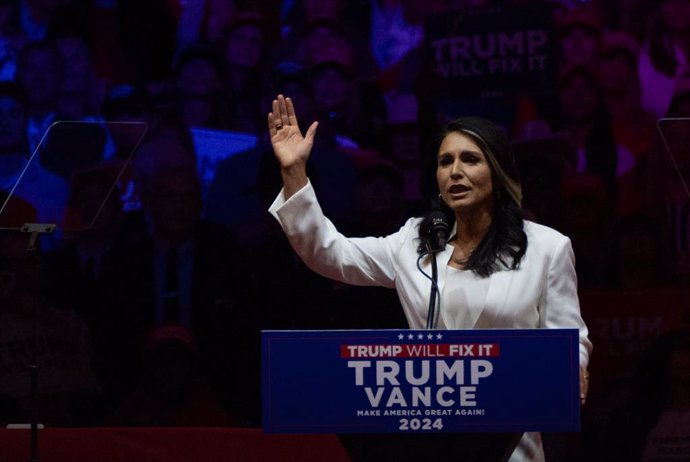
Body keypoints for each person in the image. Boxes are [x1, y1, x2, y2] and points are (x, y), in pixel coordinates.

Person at [266, 95, 592, 462]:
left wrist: (573, 368)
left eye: (470, 159)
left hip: (512, 447)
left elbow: (569, 337)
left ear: (498, 173)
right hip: (427, 442)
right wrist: (294, 171)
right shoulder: (414, 240)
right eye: (445, 161)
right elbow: (328, 252)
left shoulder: (547, 247)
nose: (455, 171)